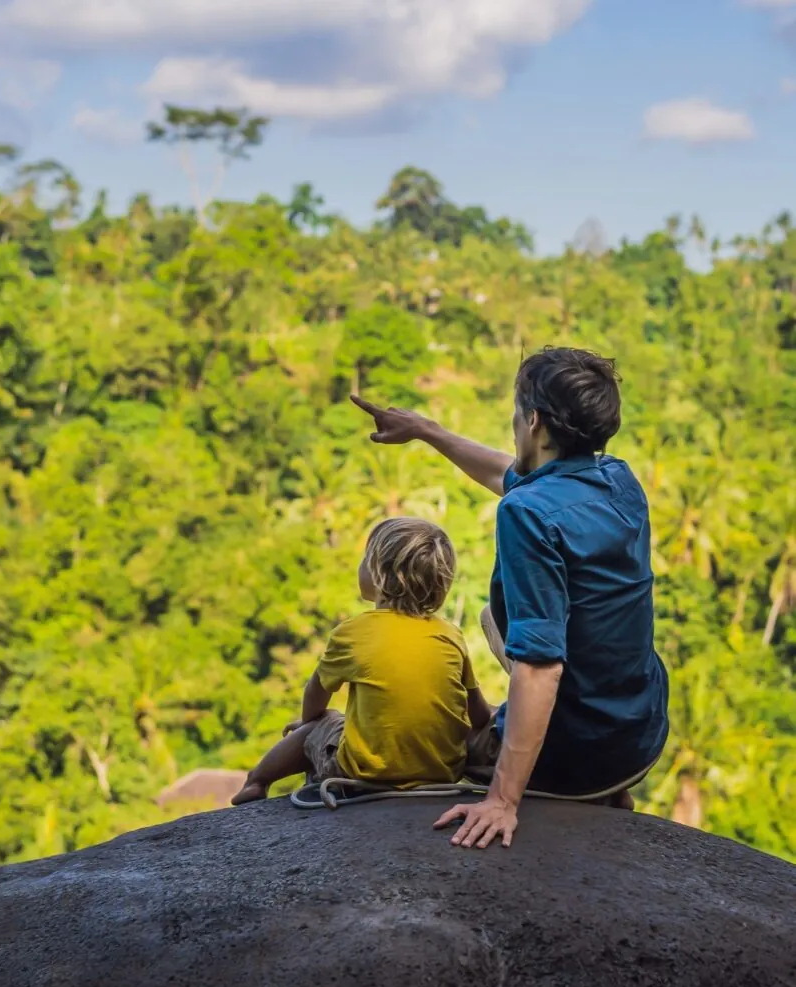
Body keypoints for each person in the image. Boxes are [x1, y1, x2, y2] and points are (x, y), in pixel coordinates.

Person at [352, 346, 669, 850]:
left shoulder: (525, 513)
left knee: (426, 744)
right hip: (638, 730)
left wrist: (502, 799)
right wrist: (427, 431)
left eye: (517, 414)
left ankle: (577, 787)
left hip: (579, 758)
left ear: (535, 421)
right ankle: (611, 791)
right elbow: (508, 473)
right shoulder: (618, 479)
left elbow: (541, 668)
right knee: (491, 617)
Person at [231, 517, 494, 805]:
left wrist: (311, 726)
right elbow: (478, 714)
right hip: (442, 771)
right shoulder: (450, 635)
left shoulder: (353, 632)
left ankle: (256, 781)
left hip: (364, 773)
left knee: (324, 723)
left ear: (379, 574)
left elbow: (314, 696)